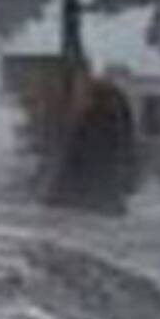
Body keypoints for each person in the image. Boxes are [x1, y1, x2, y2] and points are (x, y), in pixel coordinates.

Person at [44, 74, 142, 215]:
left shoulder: (93, 120)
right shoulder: (115, 118)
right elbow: (128, 155)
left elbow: (72, 158)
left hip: (82, 198)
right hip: (102, 198)